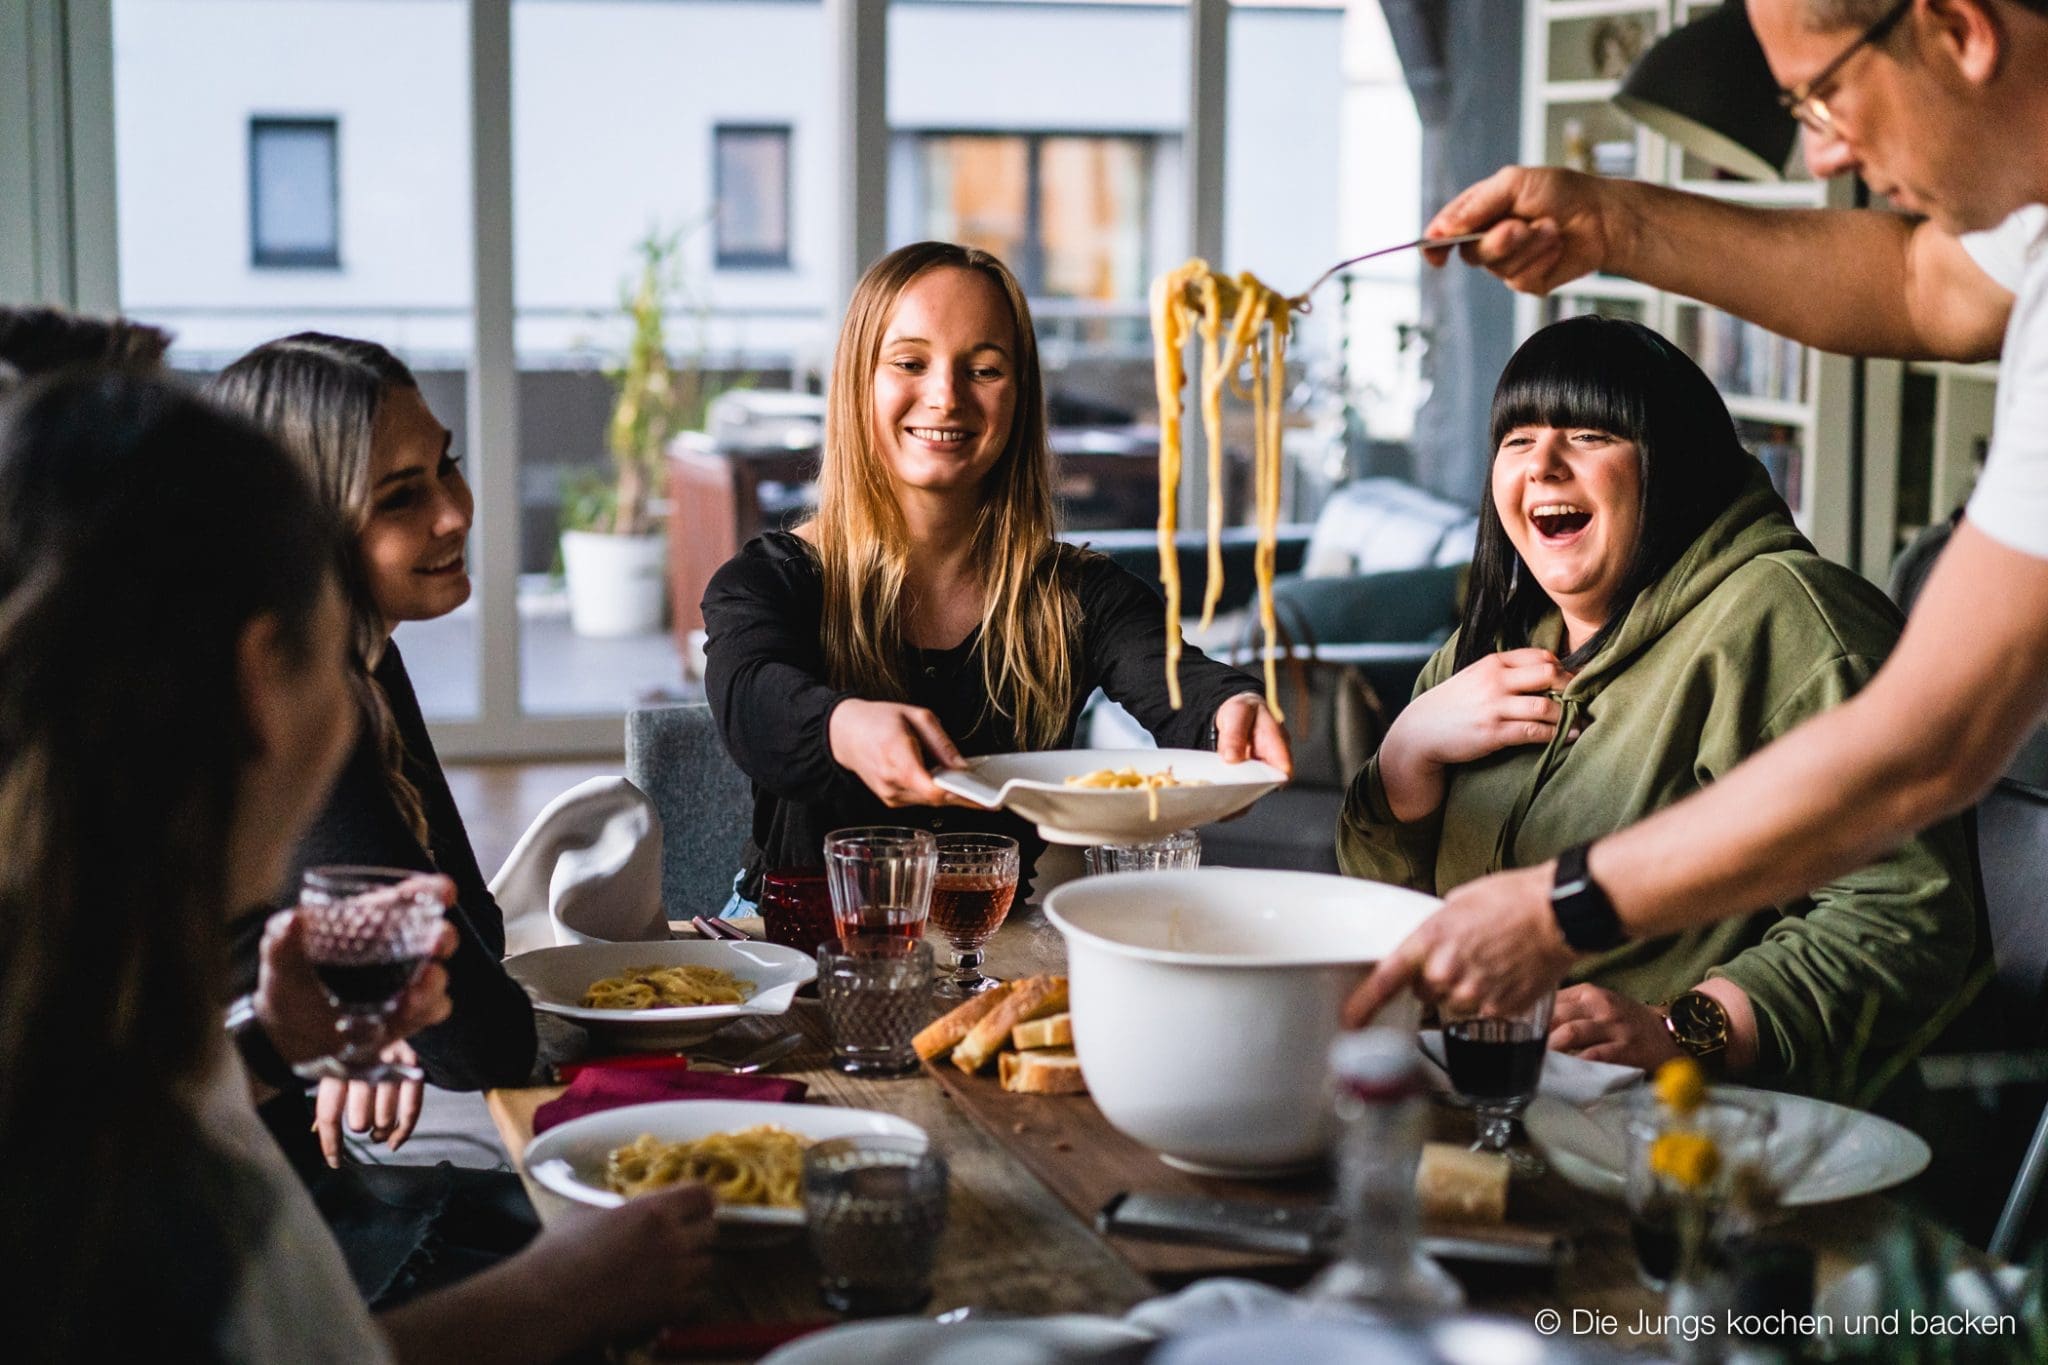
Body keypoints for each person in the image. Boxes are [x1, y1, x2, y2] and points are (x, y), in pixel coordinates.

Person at [1347, 0, 2048, 1025]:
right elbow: (1915, 282)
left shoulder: (1782, 618)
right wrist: (1611, 223)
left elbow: (1928, 743)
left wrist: (1564, 914)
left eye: (1820, 93)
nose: (1817, 154)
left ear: (1958, 29)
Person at [0, 371, 713, 1364]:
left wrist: (263, 1047)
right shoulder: (177, 1204)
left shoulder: (71, 1004)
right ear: (262, 680)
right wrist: (557, 1296)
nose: (457, 513)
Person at [1339, 316, 1980, 1099]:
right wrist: (1405, 757)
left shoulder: (1785, 620)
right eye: (1517, 439)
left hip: (1694, 1135)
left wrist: (1686, 1028)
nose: (1542, 464)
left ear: (1667, 466)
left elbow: (1908, 916)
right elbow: (1384, 928)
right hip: (1477, 1100)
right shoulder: (1495, 634)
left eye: (1588, 436)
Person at [703, 241, 1291, 901]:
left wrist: (1230, 714)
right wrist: (844, 727)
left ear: (1020, 396)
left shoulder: (1080, 594)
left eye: (983, 369)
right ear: (857, 383)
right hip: (800, 934)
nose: (946, 395)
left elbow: (1185, 689)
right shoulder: (770, 579)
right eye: (909, 363)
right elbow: (748, 697)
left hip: (990, 936)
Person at [207, 333, 542, 1301]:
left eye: (445, 465)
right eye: (399, 497)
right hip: (288, 1229)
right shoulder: (294, 705)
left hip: (331, 1167)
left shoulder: (360, 652)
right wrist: (393, 1014)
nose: (455, 511)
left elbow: (468, 930)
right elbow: (483, 1035)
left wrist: (383, 1014)